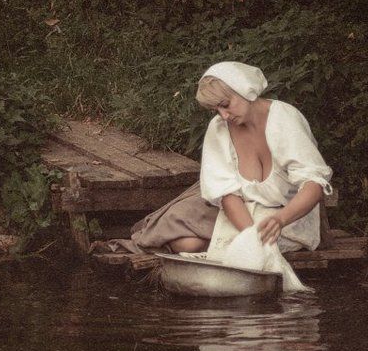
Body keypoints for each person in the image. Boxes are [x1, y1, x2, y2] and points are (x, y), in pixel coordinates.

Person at [109, 61, 332, 290]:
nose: (224, 115)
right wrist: (250, 237)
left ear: (244, 89)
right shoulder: (219, 128)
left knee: (192, 242)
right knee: (186, 241)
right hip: (240, 213)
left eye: (226, 105)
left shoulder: (285, 119)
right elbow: (227, 195)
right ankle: (220, 240)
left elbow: (313, 183)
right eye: (217, 109)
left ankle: (227, 242)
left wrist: (280, 219)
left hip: (288, 216)